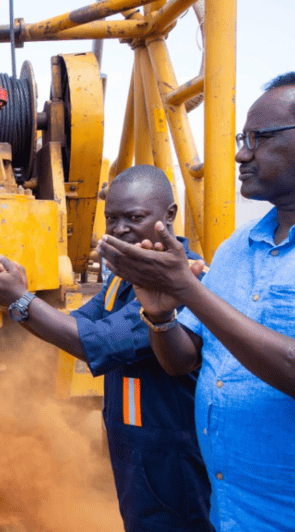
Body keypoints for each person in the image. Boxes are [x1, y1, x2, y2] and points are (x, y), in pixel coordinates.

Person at [0, 165, 213, 532]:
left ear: (170, 215)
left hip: (169, 452)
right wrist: (18, 296)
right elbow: (79, 325)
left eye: (135, 217)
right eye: (112, 218)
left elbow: (96, 342)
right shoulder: (125, 279)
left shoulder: (185, 283)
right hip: (132, 446)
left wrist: (19, 298)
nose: (120, 228)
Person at [98, 75, 295, 531]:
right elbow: (183, 362)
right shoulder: (236, 248)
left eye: (258, 139)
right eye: (243, 139)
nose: (242, 154)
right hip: (230, 509)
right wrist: (161, 314)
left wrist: (188, 292)